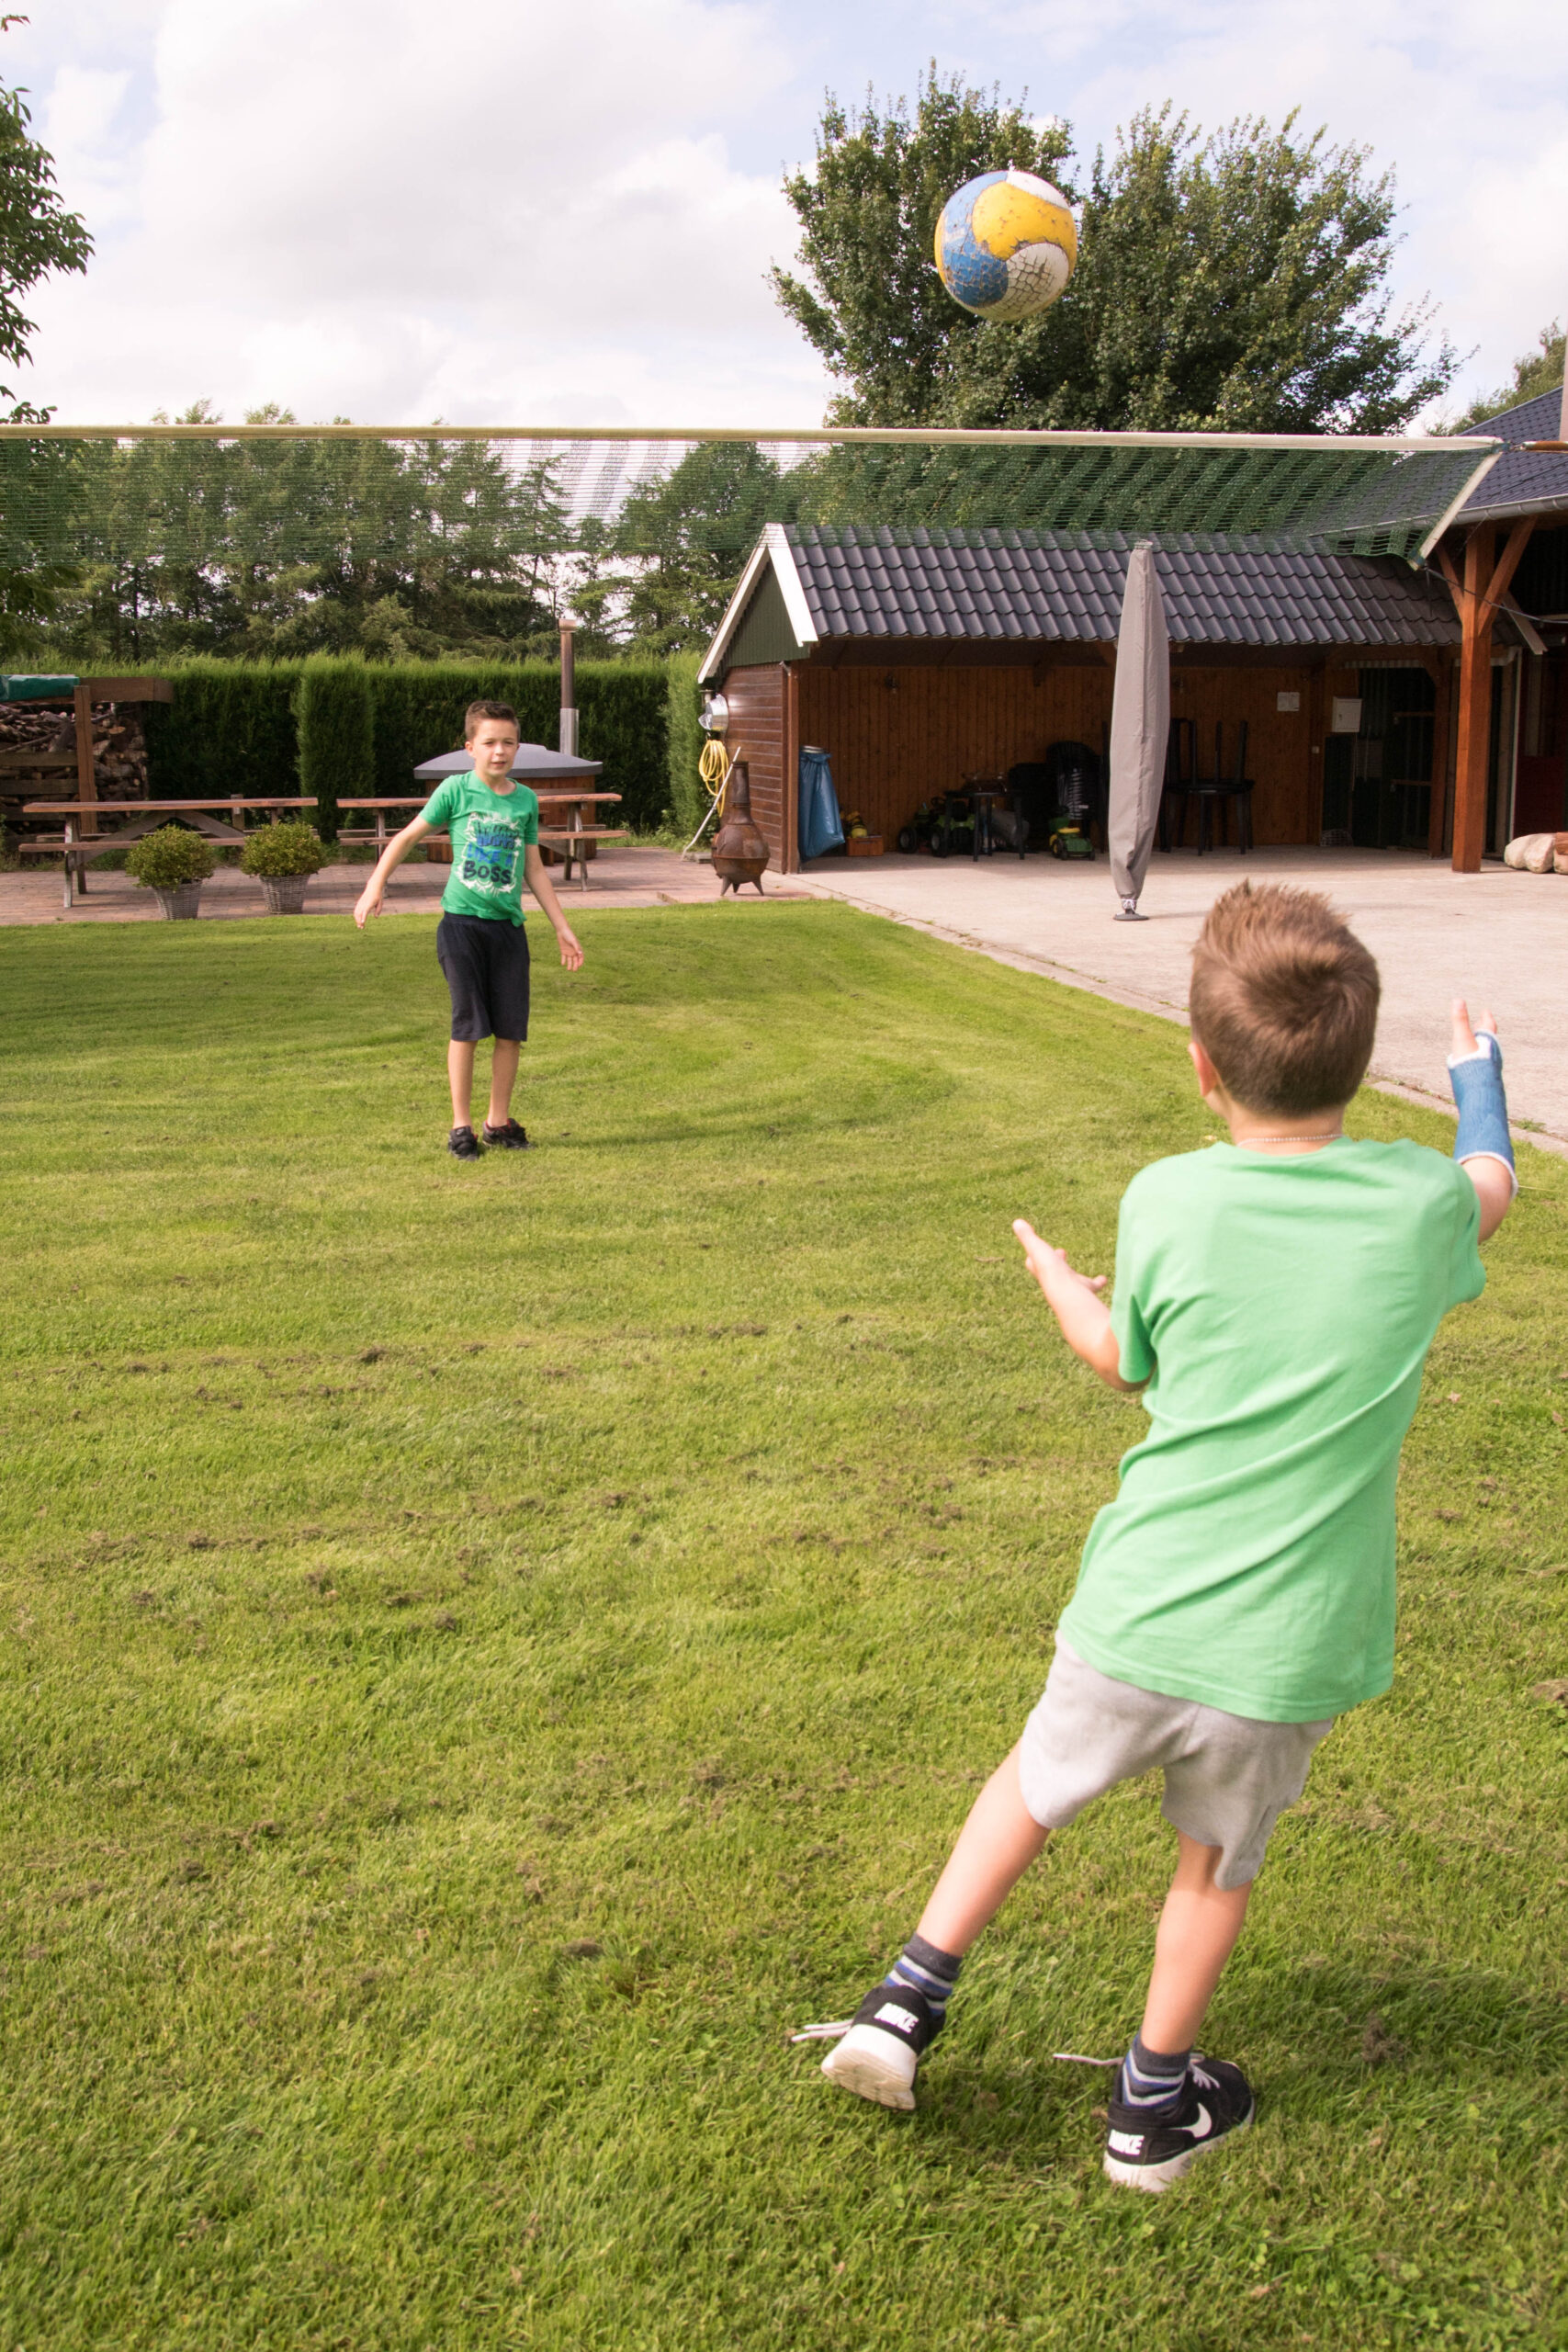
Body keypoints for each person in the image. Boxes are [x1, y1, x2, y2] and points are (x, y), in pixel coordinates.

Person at [810, 881, 1517, 2191]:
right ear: (1358, 1060)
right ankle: (1148, 2112)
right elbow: (1490, 1182)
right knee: (1210, 1867)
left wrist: (1057, 1286)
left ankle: (899, 2009)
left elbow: (1118, 1363)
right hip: (1282, 1646)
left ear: (1200, 1067)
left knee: (1026, 1790)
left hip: (1137, 1610)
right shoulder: (1417, 1207)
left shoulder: (1165, 1202)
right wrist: (1477, 1081)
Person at [354, 701, 584, 1159]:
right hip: (461, 927)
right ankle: (461, 1128)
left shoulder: (525, 800)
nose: (500, 752)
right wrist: (373, 887)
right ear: (470, 748)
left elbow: (534, 870)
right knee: (467, 1027)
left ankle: (498, 1122)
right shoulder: (455, 791)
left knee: (510, 1031)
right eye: (490, 743)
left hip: (508, 931)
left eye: (508, 743)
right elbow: (405, 838)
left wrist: (562, 927)